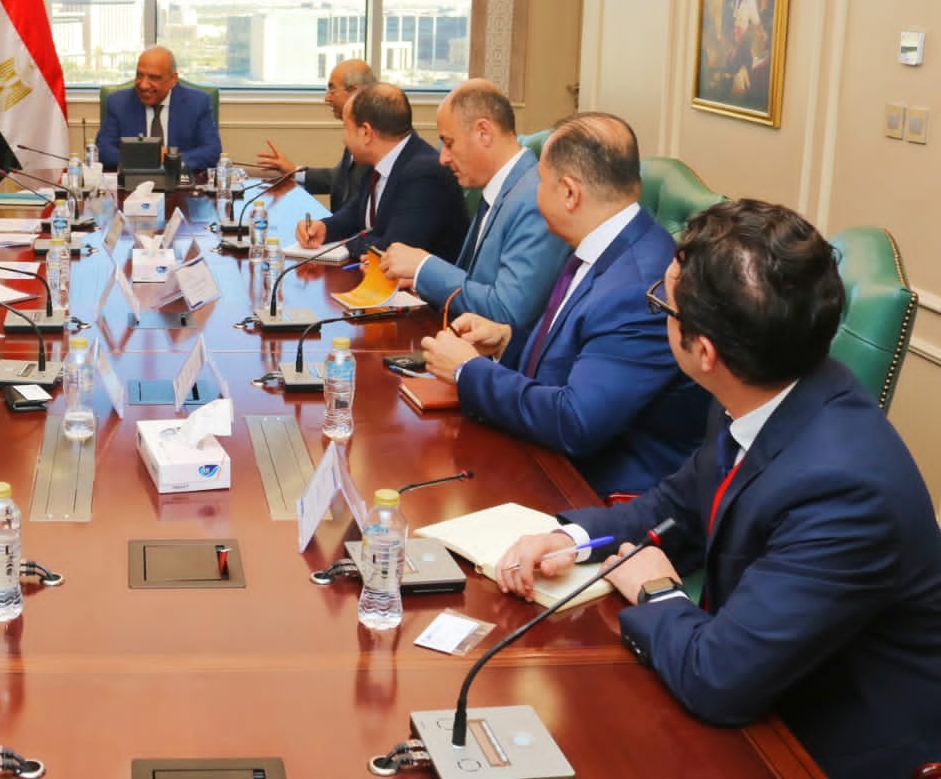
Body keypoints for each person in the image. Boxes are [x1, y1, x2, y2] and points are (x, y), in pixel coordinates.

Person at [497, 200, 941, 779]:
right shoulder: (764, 387)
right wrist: (571, 539)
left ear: (704, 353)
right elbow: (677, 506)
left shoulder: (845, 492)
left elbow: (718, 678)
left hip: (826, 745)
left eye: (663, 305)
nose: (659, 312)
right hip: (761, 682)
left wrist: (655, 590)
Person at [418, 112, 707, 496]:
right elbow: (579, 355)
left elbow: (576, 423)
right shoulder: (604, 244)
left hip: (596, 492)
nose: (535, 194)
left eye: (540, 182)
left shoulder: (638, 288)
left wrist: (467, 370)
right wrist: (506, 341)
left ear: (569, 193)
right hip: (548, 455)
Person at [378, 80, 569, 329]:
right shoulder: (501, 189)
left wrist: (424, 267)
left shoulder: (535, 198)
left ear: (484, 133)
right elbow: (476, 281)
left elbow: (506, 313)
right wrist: (421, 281)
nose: (443, 158)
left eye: (449, 143)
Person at [293, 83, 466, 261]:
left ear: (366, 133)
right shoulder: (381, 160)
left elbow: (393, 249)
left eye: (346, 128)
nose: (344, 139)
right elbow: (357, 212)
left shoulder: (425, 174)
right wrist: (324, 228)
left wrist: (346, 244)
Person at [255, 58, 375, 211]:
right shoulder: (356, 128)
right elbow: (339, 178)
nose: (327, 98)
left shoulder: (374, 138)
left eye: (332, 90)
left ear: (355, 92)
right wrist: (293, 171)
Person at [94, 46, 222, 172]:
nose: (143, 85)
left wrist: (172, 159)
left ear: (173, 80)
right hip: (133, 181)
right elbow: (103, 149)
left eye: (154, 77)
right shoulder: (118, 103)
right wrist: (146, 158)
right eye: (139, 75)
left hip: (179, 180)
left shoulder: (197, 103)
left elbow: (212, 150)